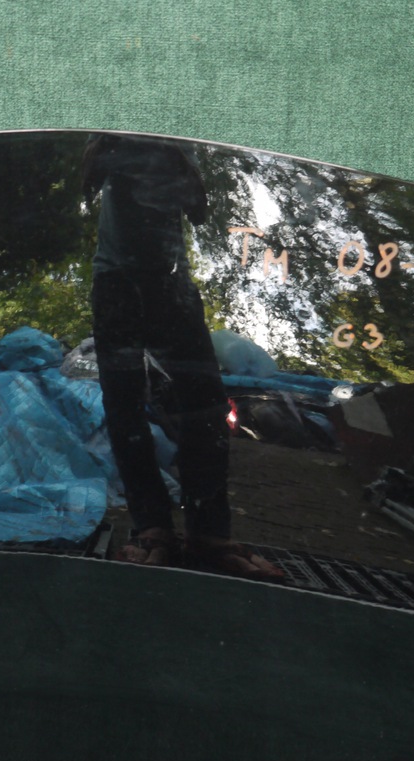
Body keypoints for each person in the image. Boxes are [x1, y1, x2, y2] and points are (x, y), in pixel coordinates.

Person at [83, 134, 283, 580]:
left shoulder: (182, 140)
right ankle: (154, 528)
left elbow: (197, 207)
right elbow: (97, 176)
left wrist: (174, 165)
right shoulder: (112, 138)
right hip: (118, 281)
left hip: (169, 284)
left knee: (204, 405)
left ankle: (207, 533)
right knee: (127, 406)